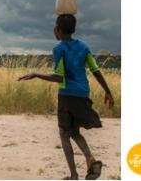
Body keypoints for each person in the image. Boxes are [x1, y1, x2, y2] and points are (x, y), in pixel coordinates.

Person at [18, 14, 114, 180]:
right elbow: (95, 70)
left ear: (58, 30)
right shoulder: (84, 46)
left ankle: (74, 175)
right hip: (83, 94)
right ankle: (90, 159)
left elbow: (59, 77)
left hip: (67, 95)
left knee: (64, 134)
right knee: (74, 131)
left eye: (55, 26)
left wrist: (36, 74)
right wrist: (107, 91)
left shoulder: (59, 49)